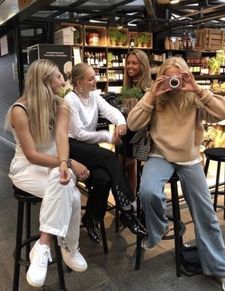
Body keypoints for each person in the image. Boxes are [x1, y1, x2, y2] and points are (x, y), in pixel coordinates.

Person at [127, 56, 225, 291]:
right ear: (161, 78)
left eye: (178, 77)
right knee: (147, 192)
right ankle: (159, 229)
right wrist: (152, 94)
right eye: (169, 78)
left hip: (189, 159)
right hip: (160, 156)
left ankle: (222, 268)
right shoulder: (157, 98)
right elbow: (133, 124)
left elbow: (224, 113)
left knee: (206, 213)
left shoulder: (194, 98)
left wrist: (196, 88)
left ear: (185, 75)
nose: (173, 83)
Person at [5, 59, 89, 288]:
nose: (64, 80)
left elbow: (62, 137)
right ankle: (69, 246)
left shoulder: (61, 104)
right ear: (45, 81)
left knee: (63, 184)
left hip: (53, 166)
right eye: (59, 76)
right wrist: (68, 164)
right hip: (26, 169)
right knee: (70, 192)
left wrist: (64, 163)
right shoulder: (19, 110)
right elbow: (32, 155)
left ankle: (42, 246)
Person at [64, 62, 147, 244]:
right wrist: (108, 137)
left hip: (90, 148)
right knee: (110, 157)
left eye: (94, 77)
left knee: (104, 178)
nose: (95, 81)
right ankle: (126, 209)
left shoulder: (93, 96)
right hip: (73, 146)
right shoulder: (70, 100)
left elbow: (111, 111)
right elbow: (78, 133)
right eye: (91, 78)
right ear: (78, 83)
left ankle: (91, 219)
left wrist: (121, 123)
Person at [119, 49, 153, 197]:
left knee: (120, 166)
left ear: (143, 65)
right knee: (129, 165)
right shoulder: (129, 86)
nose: (130, 66)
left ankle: (128, 200)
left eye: (134, 63)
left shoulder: (148, 87)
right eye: (128, 63)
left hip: (138, 134)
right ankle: (131, 198)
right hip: (126, 131)